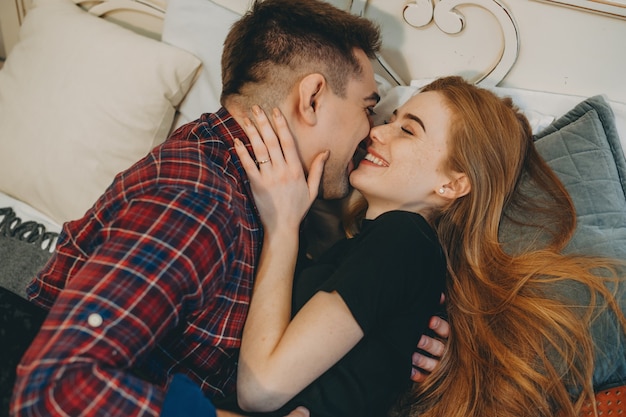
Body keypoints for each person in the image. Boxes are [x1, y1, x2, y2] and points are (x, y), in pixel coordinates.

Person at [8, 1, 446, 416]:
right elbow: (57, 387)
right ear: (312, 98)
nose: (371, 133)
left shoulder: (266, 191)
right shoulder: (201, 198)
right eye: (369, 109)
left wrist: (401, 333)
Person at [223, 76, 626, 417]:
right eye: (390, 119)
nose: (377, 132)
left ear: (452, 184)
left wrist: (283, 228)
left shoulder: (403, 238)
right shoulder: (377, 246)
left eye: (408, 130)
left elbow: (261, 389)